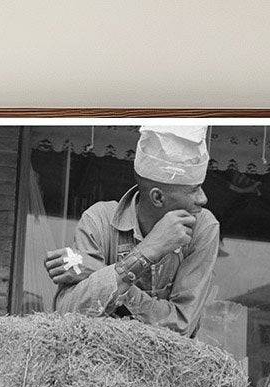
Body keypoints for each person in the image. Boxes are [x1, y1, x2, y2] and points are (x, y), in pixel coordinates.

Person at [43, 124, 220, 337]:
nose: (203, 199)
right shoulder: (98, 220)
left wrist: (103, 272)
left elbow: (181, 326)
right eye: (193, 190)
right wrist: (144, 253)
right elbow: (67, 314)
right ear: (158, 197)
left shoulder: (203, 227)